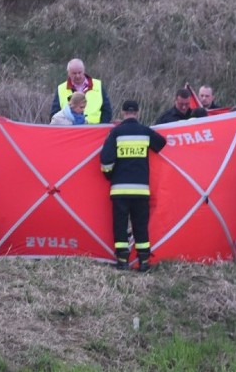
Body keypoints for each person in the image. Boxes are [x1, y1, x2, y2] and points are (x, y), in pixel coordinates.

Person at [100, 100, 167, 272]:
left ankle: (122, 260)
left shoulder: (115, 132)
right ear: (137, 112)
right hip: (141, 190)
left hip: (120, 189)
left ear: (123, 112)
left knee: (120, 225)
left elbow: (106, 160)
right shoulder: (145, 132)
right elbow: (161, 143)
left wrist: (109, 175)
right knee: (140, 226)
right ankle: (144, 261)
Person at [49, 58, 112, 124]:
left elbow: (107, 111)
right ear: (68, 73)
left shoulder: (98, 85)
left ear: (84, 71)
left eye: (80, 72)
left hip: (95, 130)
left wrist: (101, 127)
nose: (77, 76)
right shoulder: (61, 89)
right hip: (70, 131)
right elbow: (54, 115)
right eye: (74, 73)